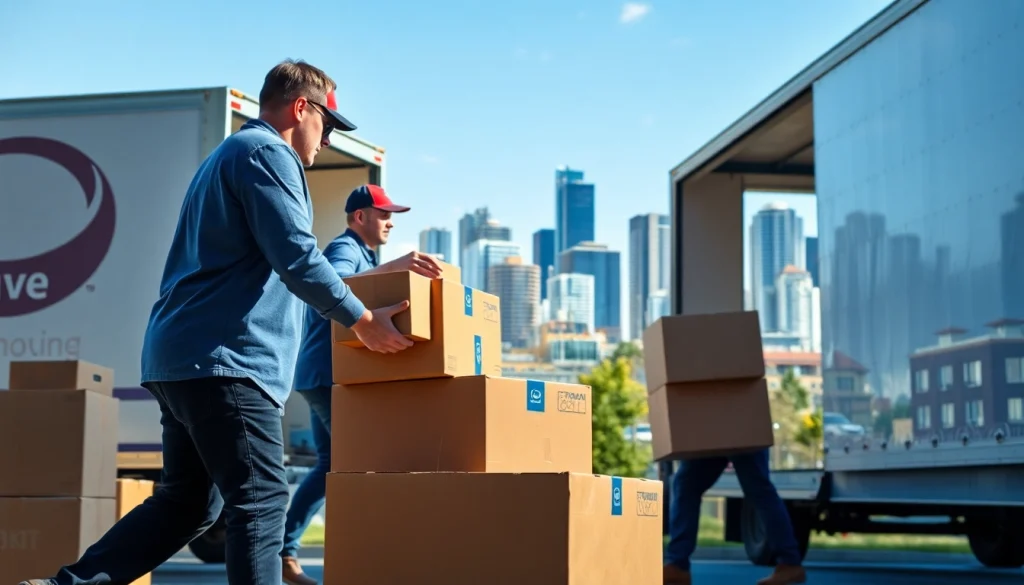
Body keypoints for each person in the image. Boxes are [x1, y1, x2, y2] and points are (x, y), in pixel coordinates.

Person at [19, 59, 415, 585]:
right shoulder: (267, 152)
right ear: (302, 108)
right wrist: (362, 319)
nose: (325, 140)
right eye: (327, 123)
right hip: (227, 362)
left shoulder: (230, 155)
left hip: (184, 358)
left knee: (188, 504)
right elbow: (296, 255)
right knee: (262, 498)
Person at [280, 184, 443, 585]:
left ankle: (284, 553)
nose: (390, 222)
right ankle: (368, 558)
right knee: (364, 462)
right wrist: (394, 267)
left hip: (323, 376)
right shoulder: (346, 248)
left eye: (392, 216)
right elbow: (331, 286)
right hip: (327, 376)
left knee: (331, 465)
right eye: (383, 214)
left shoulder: (364, 253)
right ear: (359, 218)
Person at [663, 449, 807, 585]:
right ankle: (677, 564)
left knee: (758, 489)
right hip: (712, 431)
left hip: (738, 429)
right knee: (686, 484)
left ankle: (790, 562)